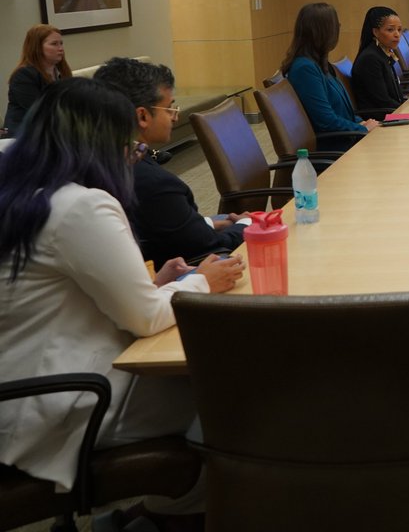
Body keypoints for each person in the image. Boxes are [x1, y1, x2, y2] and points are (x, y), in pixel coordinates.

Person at [0, 78, 243, 516]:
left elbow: (57, 299)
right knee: (233, 395)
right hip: (65, 403)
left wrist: (155, 284)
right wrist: (204, 280)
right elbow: (145, 320)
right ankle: (178, 510)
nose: (134, 154)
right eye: (129, 143)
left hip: (19, 391)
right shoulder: (80, 205)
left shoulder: (21, 195)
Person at [94, 57, 250, 270]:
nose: (175, 117)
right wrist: (247, 225)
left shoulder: (97, 153)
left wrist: (207, 223)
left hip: (153, 246)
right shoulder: (152, 182)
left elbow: (155, 223)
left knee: (220, 219)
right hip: (168, 274)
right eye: (169, 109)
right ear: (142, 116)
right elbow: (209, 247)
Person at [281, 2, 379, 149]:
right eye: (335, 25)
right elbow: (325, 121)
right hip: (337, 148)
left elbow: (343, 112)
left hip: (346, 139)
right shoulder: (304, 68)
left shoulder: (319, 63)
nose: (338, 29)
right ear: (324, 31)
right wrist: (362, 129)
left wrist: (360, 122)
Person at [4, 24, 71, 136]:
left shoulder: (61, 71)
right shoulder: (24, 75)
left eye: (61, 43)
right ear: (37, 47)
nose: (60, 48)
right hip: (24, 135)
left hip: (52, 132)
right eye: (54, 44)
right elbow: (39, 112)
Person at [351, 6, 407, 121]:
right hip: (379, 119)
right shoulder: (370, 59)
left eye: (399, 29)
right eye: (390, 30)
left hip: (390, 112)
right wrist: (408, 110)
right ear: (376, 32)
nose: (397, 34)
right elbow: (383, 101)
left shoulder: (383, 53)